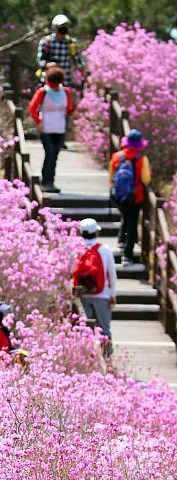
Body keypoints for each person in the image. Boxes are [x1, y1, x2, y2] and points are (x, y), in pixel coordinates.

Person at [71, 218, 117, 352]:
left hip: (82, 294)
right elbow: (112, 273)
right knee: (104, 329)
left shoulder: (76, 250)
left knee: (84, 330)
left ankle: (86, 358)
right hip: (102, 294)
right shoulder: (105, 249)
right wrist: (113, 294)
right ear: (96, 233)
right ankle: (107, 358)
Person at [28, 65, 75, 192]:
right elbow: (32, 108)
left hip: (60, 128)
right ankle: (46, 182)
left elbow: (68, 109)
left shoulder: (65, 92)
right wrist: (38, 122)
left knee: (55, 155)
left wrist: (75, 106)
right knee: (50, 153)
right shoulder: (43, 92)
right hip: (46, 128)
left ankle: (50, 181)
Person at [109, 128, 151, 264]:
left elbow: (111, 178)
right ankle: (127, 255)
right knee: (132, 223)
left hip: (118, 196)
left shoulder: (116, 157)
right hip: (135, 196)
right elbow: (145, 180)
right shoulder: (141, 159)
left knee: (125, 216)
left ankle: (121, 240)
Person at [35, 15, 85, 89]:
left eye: (66, 25)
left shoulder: (71, 42)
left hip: (65, 83)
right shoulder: (46, 42)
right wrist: (48, 64)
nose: (64, 28)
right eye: (62, 25)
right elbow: (39, 61)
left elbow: (77, 61)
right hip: (48, 83)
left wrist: (86, 74)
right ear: (54, 27)